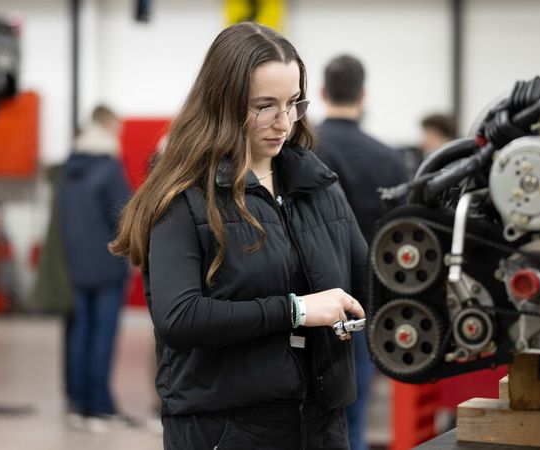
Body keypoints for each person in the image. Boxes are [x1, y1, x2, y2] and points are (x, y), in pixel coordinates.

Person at [109, 22, 367, 449]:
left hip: (320, 425)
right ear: (223, 104)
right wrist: (296, 311)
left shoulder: (316, 185)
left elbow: (367, 280)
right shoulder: (185, 197)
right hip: (225, 430)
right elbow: (180, 316)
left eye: (293, 104)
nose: (283, 123)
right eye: (264, 106)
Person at [315, 54, 408, 450]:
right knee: (354, 414)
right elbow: (402, 235)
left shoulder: (301, 152)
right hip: (366, 302)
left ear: (322, 92)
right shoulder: (389, 158)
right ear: (363, 95)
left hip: (309, 304)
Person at [59, 105, 132, 432]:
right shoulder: (108, 166)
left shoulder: (69, 168)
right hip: (106, 264)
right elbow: (124, 216)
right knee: (103, 335)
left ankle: (78, 402)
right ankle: (99, 405)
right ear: (109, 127)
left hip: (75, 263)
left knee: (79, 333)